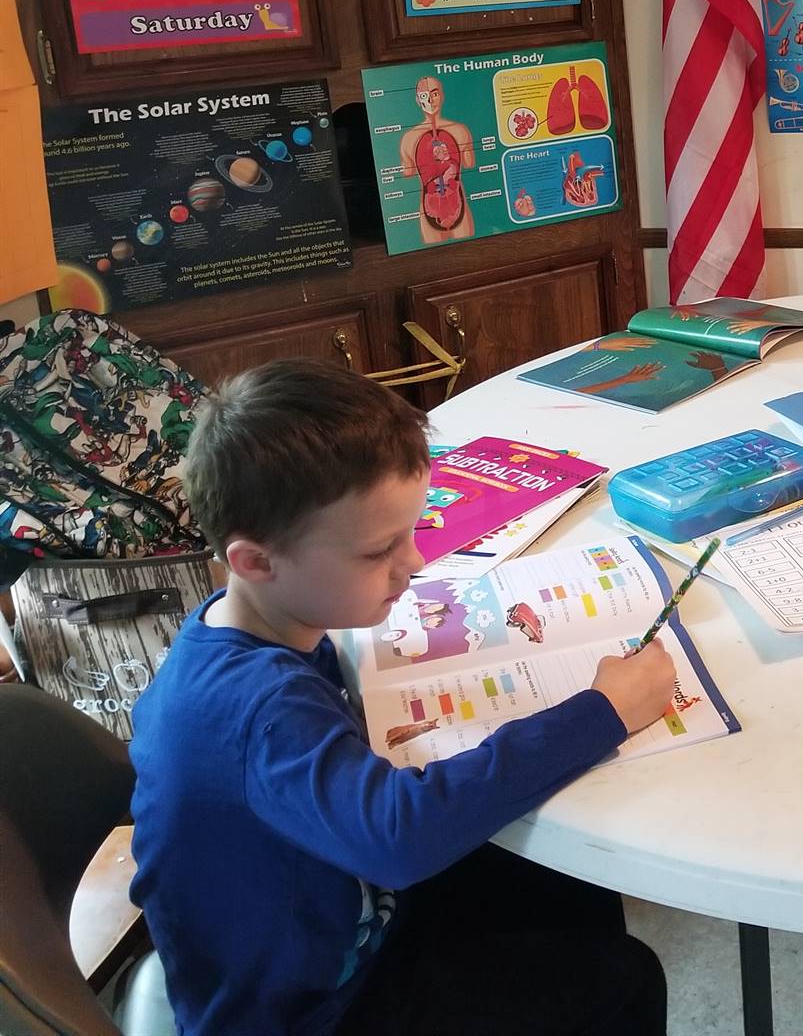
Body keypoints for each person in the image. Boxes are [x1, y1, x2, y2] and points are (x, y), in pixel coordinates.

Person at [129, 362, 675, 1036]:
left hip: (332, 919)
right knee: (623, 979)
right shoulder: (258, 714)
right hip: (309, 1011)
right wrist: (604, 712)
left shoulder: (252, 623)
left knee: (566, 877)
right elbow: (398, 837)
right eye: (379, 549)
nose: (414, 563)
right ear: (257, 562)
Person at [397, 75, 475, 246]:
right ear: (418, 100)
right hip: (431, 208)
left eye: (435, 93)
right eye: (425, 95)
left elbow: (407, 172)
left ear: (442, 95)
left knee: (465, 252)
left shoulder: (408, 138)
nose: (431, 100)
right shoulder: (460, 130)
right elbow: (470, 163)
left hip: (454, 205)